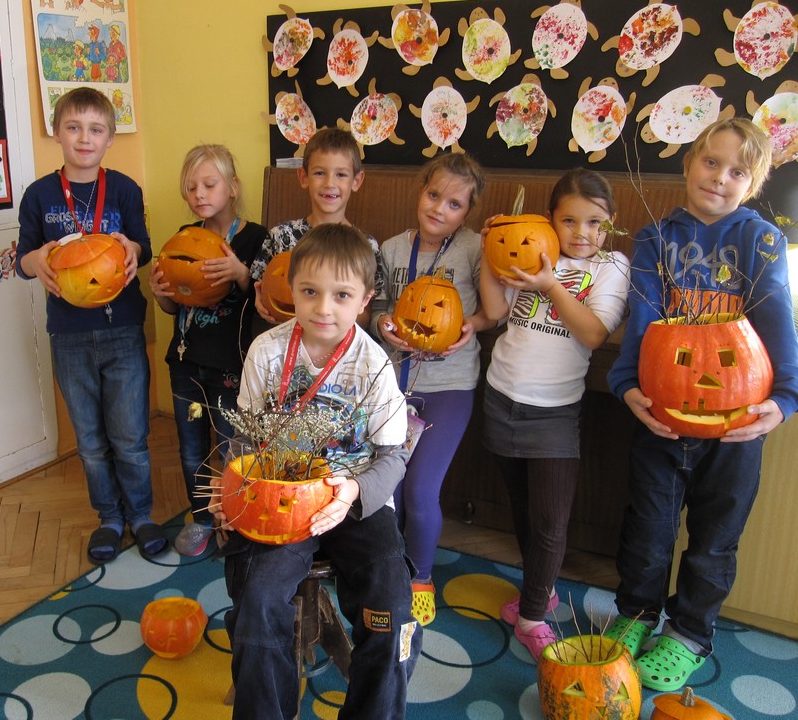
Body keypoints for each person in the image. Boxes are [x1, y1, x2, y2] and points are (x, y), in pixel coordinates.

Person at [605, 118, 798, 690]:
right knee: (647, 530)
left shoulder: (761, 239)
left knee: (715, 539)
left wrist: (786, 396)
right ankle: (636, 615)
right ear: (689, 163)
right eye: (711, 162)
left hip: (737, 425)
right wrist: (626, 383)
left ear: (753, 183)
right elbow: (643, 317)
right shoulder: (655, 237)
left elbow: (777, 318)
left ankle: (689, 632)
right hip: (662, 415)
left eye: (738, 171)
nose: (720, 177)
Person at [214, 224, 421, 720]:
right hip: (278, 500)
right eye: (309, 291)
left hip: (357, 501)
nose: (323, 308)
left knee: (392, 614)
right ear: (291, 288)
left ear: (364, 300)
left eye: (341, 295)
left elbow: (393, 456)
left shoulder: (374, 364)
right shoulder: (266, 351)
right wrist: (233, 488)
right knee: (258, 604)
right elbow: (244, 440)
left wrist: (353, 492)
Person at [479, 169, 630, 659]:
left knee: (550, 520)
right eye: (569, 220)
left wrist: (550, 285)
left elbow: (594, 333)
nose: (582, 233)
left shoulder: (612, 266)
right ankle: (538, 591)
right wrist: (490, 248)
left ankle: (532, 617)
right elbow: (495, 310)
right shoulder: (532, 245)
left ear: (610, 224)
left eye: (595, 222)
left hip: (555, 412)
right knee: (523, 508)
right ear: (550, 219)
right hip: (501, 396)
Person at [16, 87, 167, 563]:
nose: (85, 138)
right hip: (69, 335)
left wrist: (132, 249)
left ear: (110, 139)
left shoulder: (124, 188)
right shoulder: (39, 195)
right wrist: (37, 259)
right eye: (74, 127)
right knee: (91, 442)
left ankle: (140, 515)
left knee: (129, 437)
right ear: (57, 132)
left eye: (96, 129)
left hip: (123, 330)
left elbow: (143, 246)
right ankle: (109, 518)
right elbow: (22, 261)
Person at [371, 152, 497, 627]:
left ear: (468, 212)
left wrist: (473, 325)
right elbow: (378, 306)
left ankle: (420, 578)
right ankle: (387, 570)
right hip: (393, 388)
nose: (439, 208)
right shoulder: (391, 249)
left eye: (454, 204)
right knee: (390, 489)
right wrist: (383, 323)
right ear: (420, 190)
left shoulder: (473, 248)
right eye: (433, 195)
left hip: (449, 387)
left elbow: (495, 310)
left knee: (422, 489)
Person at [149, 145, 268, 557]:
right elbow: (175, 306)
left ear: (232, 187)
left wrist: (240, 274)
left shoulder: (255, 238)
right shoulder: (184, 237)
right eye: (191, 187)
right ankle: (201, 517)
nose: (199, 193)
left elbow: (266, 302)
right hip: (186, 363)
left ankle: (236, 519)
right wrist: (160, 293)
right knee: (191, 448)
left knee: (234, 446)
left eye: (209, 184)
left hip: (231, 367)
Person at [249, 126, 383, 331]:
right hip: (285, 343)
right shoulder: (281, 236)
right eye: (320, 173)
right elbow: (260, 293)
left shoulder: (366, 245)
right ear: (303, 177)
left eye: (341, 174)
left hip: (339, 347)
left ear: (356, 181)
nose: (329, 183)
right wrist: (260, 301)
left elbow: (367, 316)